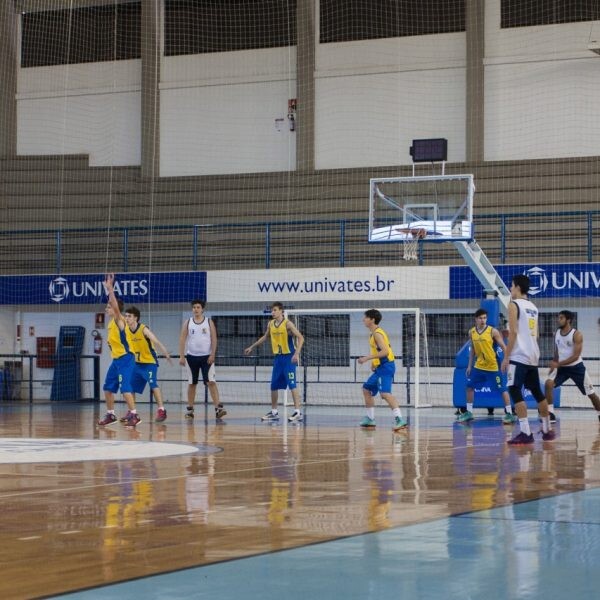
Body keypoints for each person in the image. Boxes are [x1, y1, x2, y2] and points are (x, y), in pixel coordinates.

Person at [501, 274, 555, 445]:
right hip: (533, 354)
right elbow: (536, 334)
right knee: (537, 392)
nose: (510, 289)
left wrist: (506, 356)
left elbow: (514, 333)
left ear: (517, 287)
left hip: (519, 354)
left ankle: (525, 432)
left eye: (511, 286)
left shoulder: (513, 304)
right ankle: (547, 430)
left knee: (514, 390)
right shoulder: (533, 307)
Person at [243, 302, 304, 422]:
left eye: (275, 310)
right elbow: (265, 337)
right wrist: (252, 347)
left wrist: (296, 353)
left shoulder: (288, 324)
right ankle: (274, 412)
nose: (273, 312)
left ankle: (297, 412)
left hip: (289, 358)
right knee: (273, 385)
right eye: (272, 310)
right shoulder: (270, 324)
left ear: (281, 311)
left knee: (292, 384)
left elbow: (301, 338)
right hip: (278, 358)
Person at [459, 308, 517, 425]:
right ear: (476, 319)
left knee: (502, 389)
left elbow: (504, 346)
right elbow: (473, 350)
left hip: (492, 367)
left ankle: (509, 413)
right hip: (479, 366)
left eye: (485, 318)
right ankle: (469, 412)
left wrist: (506, 360)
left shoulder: (492, 331)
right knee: (469, 387)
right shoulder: (472, 332)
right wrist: (470, 366)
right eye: (480, 318)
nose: (483, 320)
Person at [98, 273, 139, 427]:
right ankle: (111, 415)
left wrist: (110, 289)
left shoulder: (119, 320)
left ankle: (134, 415)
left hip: (126, 359)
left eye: (108, 306)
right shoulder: (109, 324)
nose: (106, 308)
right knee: (107, 388)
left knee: (125, 388)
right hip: (116, 360)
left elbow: (114, 305)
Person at [545, 310, 600, 422]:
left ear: (568, 320)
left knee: (591, 394)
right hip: (562, 369)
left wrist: (558, 363)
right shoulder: (557, 334)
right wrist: (554, 362)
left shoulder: (577, 334)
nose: (558, 320)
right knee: (548, 384)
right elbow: (557, 352)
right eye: (558, 317)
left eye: (561, 318)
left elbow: (575, 356)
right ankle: (550, 413)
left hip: (576, 367)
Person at [357, 308, 408, 432]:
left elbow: (385, 351)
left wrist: (367, 358)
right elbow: (380, 351)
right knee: (366, 389)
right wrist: (375, 363)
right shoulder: (374, 333)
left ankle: (399, 419)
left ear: (372, 319)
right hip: (381, 366)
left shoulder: (377, 333)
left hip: (386, 367)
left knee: (385, 394)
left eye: (365, 317)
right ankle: (370, 419)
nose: (363, 319)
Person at [123, 306, 173, 423]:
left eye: (129, 316)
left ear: (136, 318)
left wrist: (165, 352)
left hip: (150, 362)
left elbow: (155, 340)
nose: (126, 318)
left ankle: (161, 410)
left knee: (153, 384)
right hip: (137, 363)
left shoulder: (143, 329)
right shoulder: (126, 330)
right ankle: (132, 412)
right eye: (126, 316)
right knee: (130, 387)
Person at [178, 300, 226, 420]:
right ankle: (190, 410)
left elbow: (214, 339)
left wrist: (213, 354)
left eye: (198, 307)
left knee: (211, 382)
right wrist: (182, 356)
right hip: (191, 357)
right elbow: (182, 339)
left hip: (207, 357)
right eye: (194, 307)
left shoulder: (209, 322)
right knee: (192, 383)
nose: (196, 309)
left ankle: (218, 409)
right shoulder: (188, 322)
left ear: (202, 309)